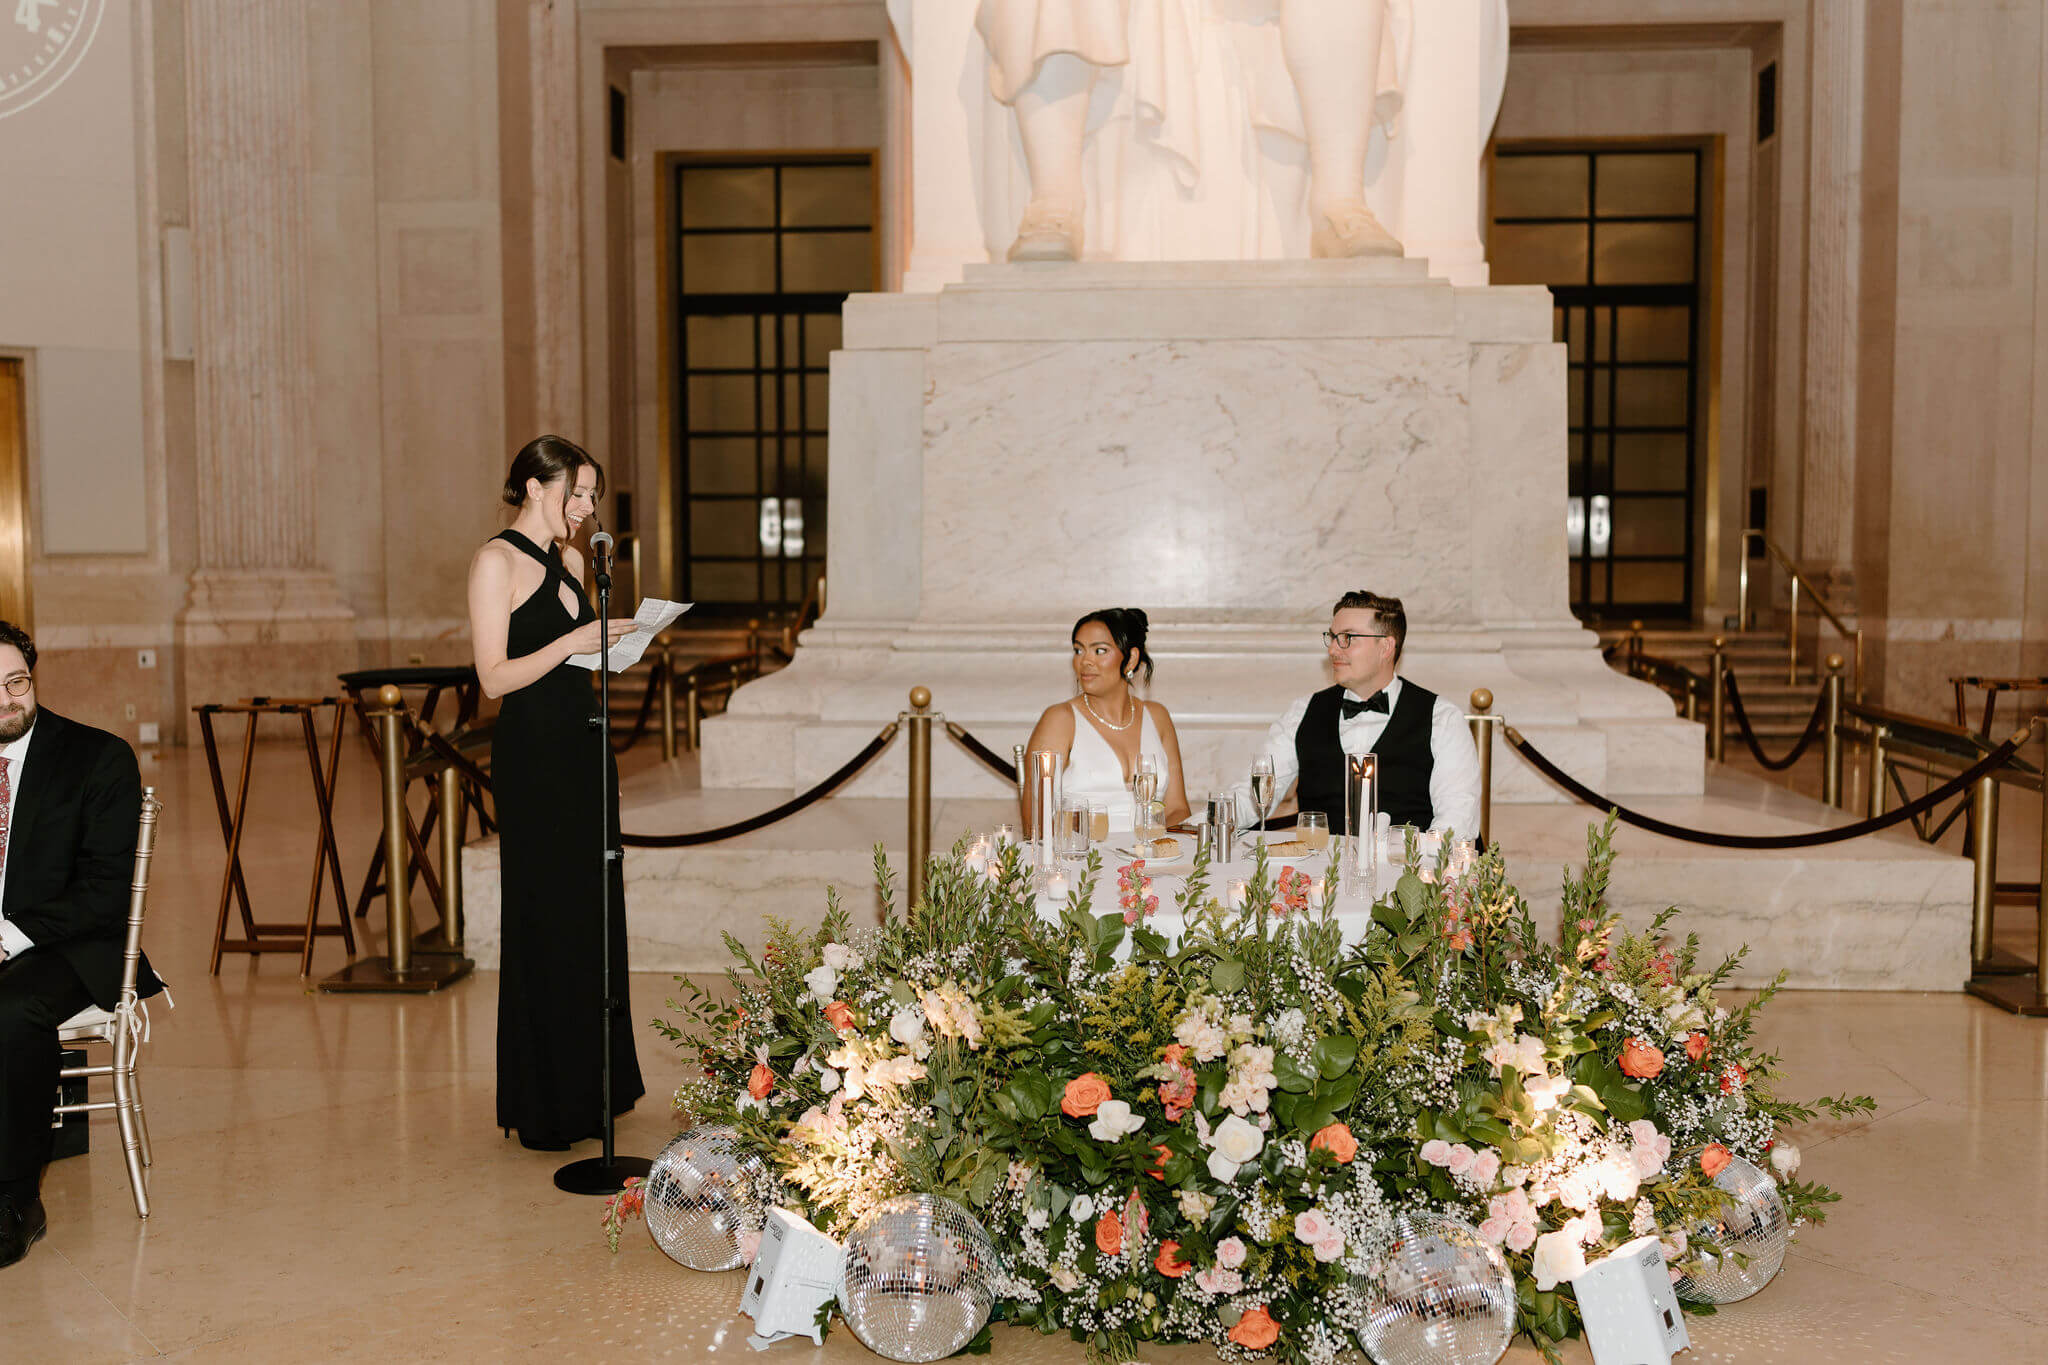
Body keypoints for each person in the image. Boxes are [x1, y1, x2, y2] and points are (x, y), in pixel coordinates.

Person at [467, 436, 642, 1151]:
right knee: (547, 916)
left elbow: (576, 657)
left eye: (592, 494)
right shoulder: (494, 562)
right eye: (579, 492)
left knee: (594, 914)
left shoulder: (573, 562)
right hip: (534, 756)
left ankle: (595, 1087)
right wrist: (574, 644)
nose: (588, 506)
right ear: (537, 486)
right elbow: (494, 677)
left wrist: (616, 642)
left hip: (584, 745)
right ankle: (546, 1100)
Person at [0, 620, 161, 1268]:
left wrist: (8, 936)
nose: (8, 699)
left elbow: (105, 891)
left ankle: (15, 1198)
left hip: (68, 944)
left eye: (17, 682)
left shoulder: (96, 758)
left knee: (10, 1010)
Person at [1235, 591, 1479, 843]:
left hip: (1408, 874)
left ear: (1385, 647)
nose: (1332, 649)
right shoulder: (1302, 712)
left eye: (1347, 638)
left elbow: (1456, 821)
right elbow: (1250, 797)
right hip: (1320, 874)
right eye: (1331, 637)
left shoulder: (1442, 718)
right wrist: (1200, 827)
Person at [1021, 608, 1192, 834]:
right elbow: (1036, 824)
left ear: (1131, 659)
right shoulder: (1060, 719)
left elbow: (1178, 810)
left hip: (1150, 860)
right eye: (1078, 650)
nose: (1085, 661)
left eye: (1099, 651)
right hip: (1083, 861)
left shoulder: (1157, 716)